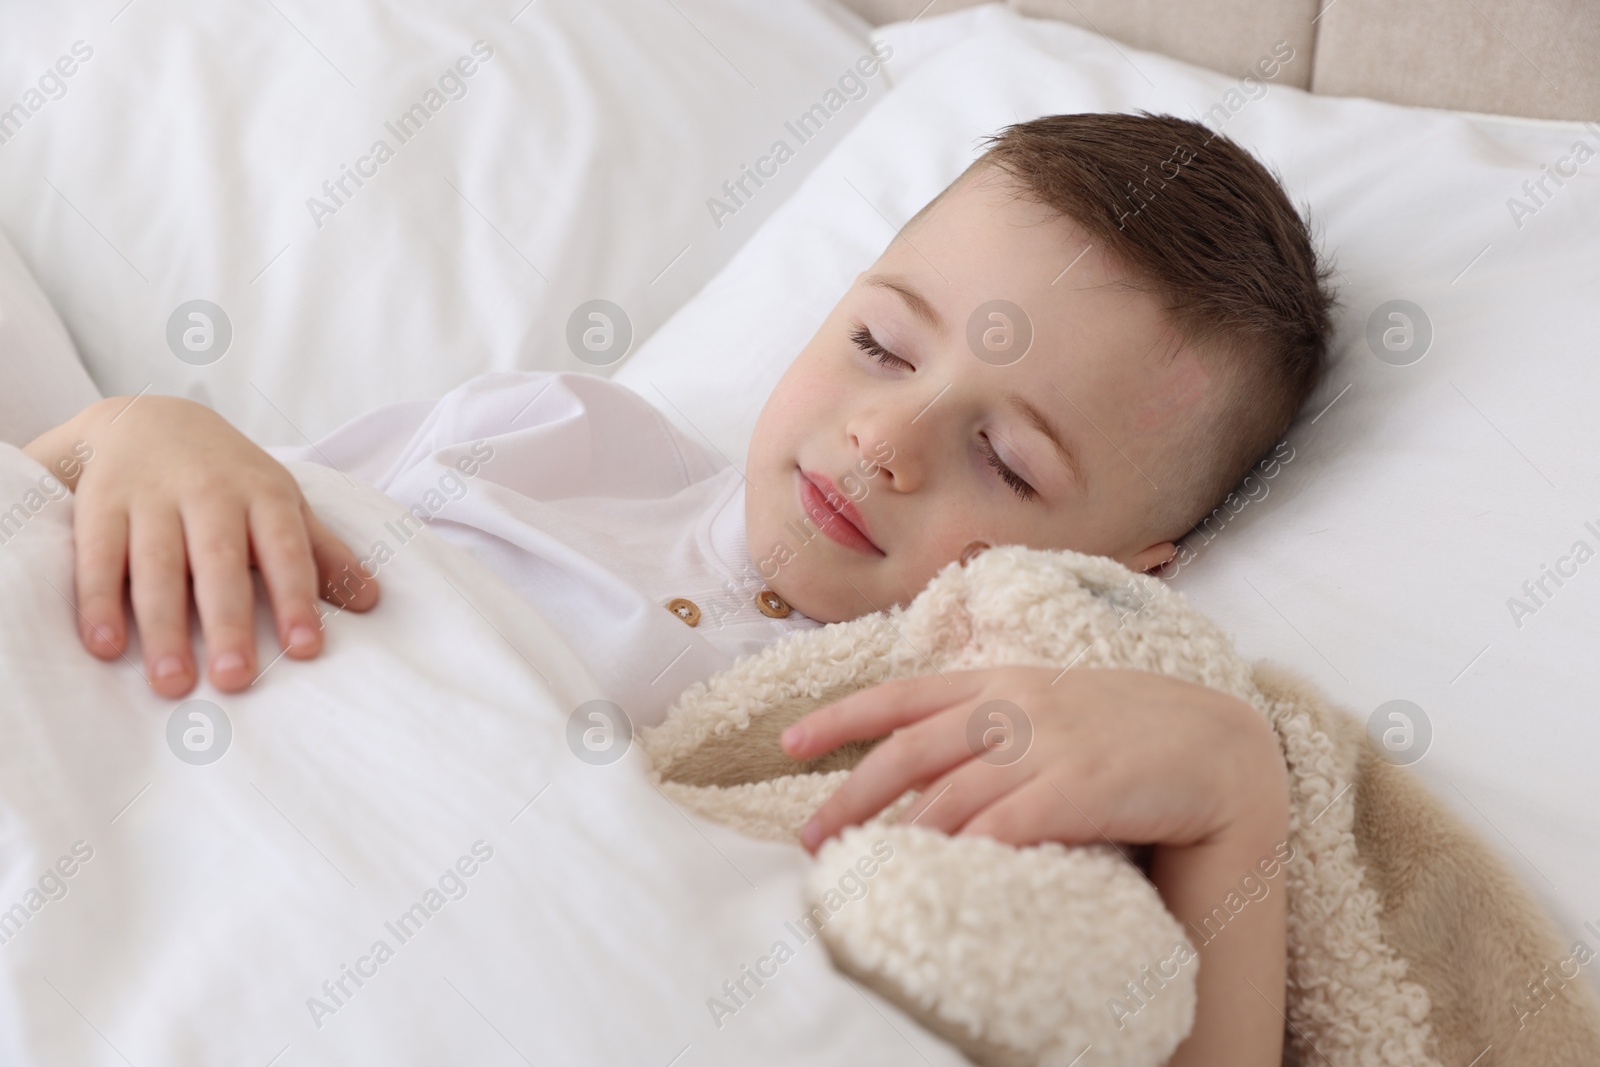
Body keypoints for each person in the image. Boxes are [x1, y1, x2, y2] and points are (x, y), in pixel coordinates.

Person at [23, 112, 1335, 1064]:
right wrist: (131, 433)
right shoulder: (553, 436)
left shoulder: (1015, 719)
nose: (886, 439)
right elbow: (138, 530)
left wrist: (1235, 799)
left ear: (1118, 570)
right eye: (879, 343)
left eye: (1004, 459)